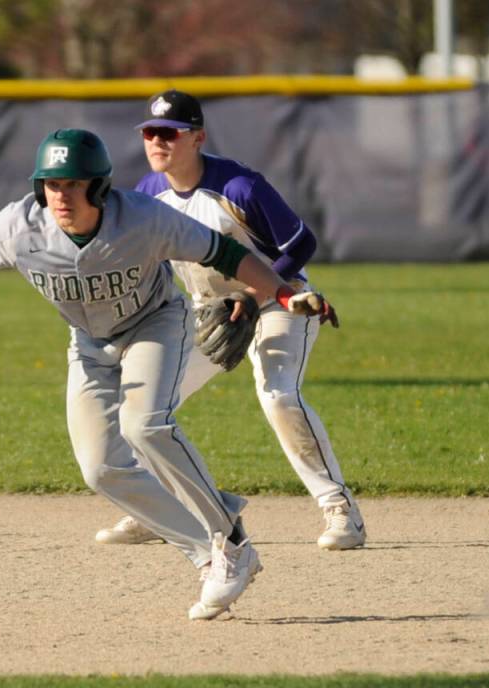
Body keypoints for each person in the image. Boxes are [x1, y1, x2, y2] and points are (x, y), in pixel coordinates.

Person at [0, 128, 318, 620]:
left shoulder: (143, 218)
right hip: (89, 345)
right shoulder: (20, 227)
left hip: (155, 324)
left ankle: (233, 542)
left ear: (99, 187)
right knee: (101, 468)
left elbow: (224, 254)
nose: (62, 195)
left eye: (74, 184)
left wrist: (283, 294)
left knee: (146, 426)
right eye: (52, 184)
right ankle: (209, 554)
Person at [95, 90, 366, 551]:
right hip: (209, 313)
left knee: (278, 395)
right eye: (150, 133)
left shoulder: (239, 187)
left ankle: (340, 510)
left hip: (280, 302)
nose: (157, 142)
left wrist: (254, 291)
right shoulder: (149, 194)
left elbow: (300, 246)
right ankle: (161, 511)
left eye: (170, 134)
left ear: (197, 137)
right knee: (139, 408)